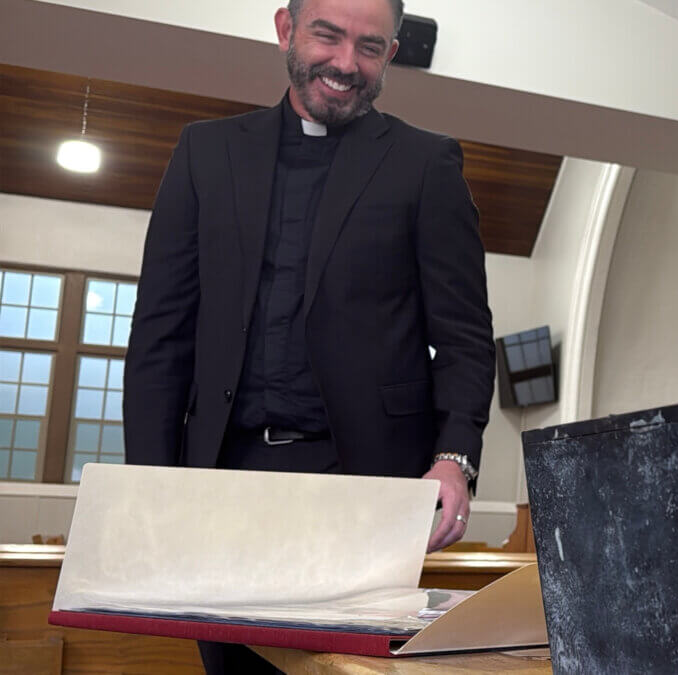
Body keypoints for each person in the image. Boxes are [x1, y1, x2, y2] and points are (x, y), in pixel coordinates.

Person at [122, 0, 494, 671]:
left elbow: (465, 337)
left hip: (364, 488)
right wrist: (151, 489)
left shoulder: (425, 164)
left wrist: (455, 455)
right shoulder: (205, 153)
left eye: (371, 46)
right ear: (286, 29)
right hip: (223, 487)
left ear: (391, 51)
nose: (348, 64)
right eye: (329, 35)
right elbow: (160, 337)